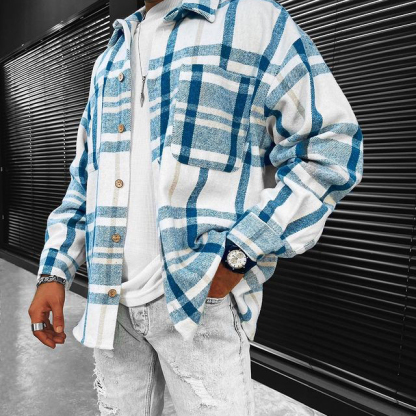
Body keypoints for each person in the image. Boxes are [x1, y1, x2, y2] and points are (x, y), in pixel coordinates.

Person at [28, 0, 364, 414]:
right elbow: (86, 177)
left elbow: (331, 149)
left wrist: (238, 254)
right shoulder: (111, 56)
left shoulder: (253, 19)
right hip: (110, 303)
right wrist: (54, 271)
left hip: (200, 300)